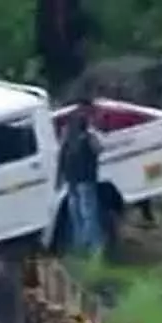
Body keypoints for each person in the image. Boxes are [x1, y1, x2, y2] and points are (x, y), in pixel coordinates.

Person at [57, 105, 104, 256]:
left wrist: (59, 179)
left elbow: (61, 159)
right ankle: (93, 244)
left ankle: (80, 244)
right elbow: (99, 149)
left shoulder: (68, 140)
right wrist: (93, 133)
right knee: (88, 213)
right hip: (85, 179)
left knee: (76, 213)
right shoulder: (87, 138)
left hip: (72, 180)